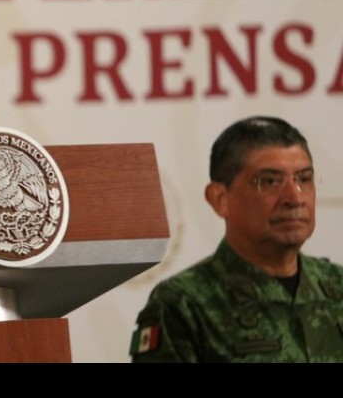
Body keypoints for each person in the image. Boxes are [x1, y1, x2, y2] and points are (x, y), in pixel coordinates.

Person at [129, 115, 343, 362]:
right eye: (270, 182)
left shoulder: (337, 285)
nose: (295, 198)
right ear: (221, 199)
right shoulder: (183, 304)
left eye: (303, 180)